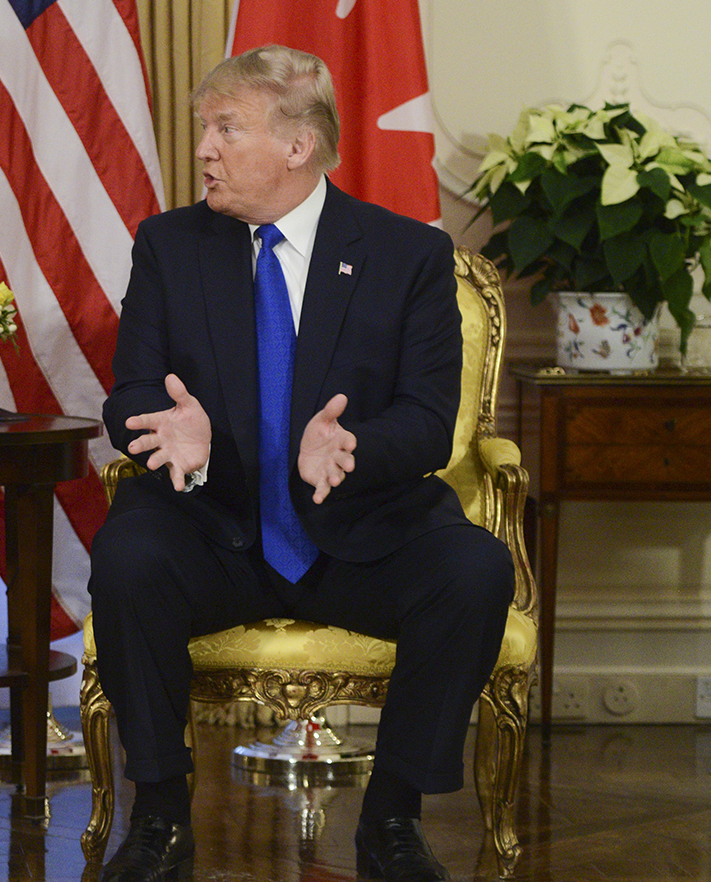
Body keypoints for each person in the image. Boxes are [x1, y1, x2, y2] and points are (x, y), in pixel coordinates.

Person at [89, 45, 514, 882]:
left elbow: (430, 424)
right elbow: (130, 393)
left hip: (360, 531)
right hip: (213, 529)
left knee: (474, 568)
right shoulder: (169, 247)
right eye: (203, 129)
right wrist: (172, 432)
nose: (203, 148)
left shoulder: (406, 256)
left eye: (225, 129)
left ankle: (391, 820)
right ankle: (162, 818)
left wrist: (356, 448)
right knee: (129, 554)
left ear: (297, 146)